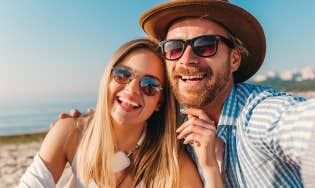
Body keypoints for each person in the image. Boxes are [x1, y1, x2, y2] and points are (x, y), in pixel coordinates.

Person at [59, 0, 315, 187]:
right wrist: (89, 122)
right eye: (173, 48)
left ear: (234, 58)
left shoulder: (257, 116)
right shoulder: (170, 119)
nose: (187, 59)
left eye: (205, 46)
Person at [18, 39, 205, 188]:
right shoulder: (70, 132)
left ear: (160, 102)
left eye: (149, 85)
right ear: (108, 78)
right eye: (123, 75)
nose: (132, 89)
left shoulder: (173, 163)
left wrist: (211, 167)